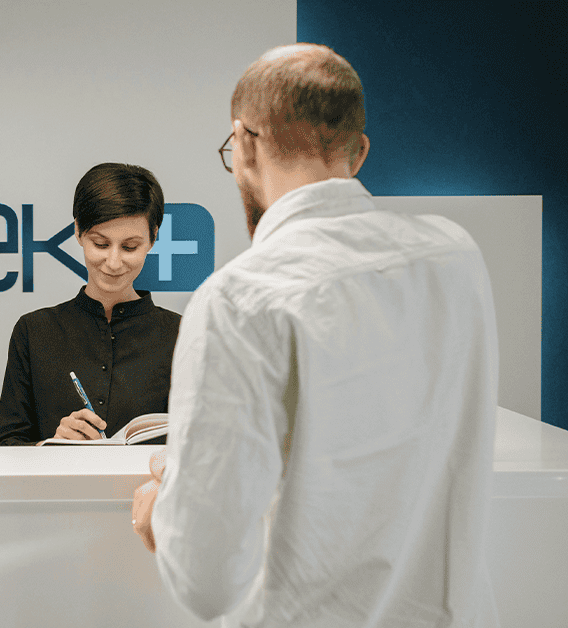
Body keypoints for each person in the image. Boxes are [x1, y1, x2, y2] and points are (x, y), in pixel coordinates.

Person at [131, 44, 500, 627]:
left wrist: (163, 513)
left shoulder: (239, 299)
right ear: (358, 153)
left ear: (244, 143)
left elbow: (207, 585)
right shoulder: (455, 256)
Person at [0, 163, 182, 445]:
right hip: (60, 490)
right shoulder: (34, 331)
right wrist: (52, 445)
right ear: (78, 231)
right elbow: (6, 446)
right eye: (101, 244)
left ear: (153, 237)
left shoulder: (182, 333)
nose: (114, 262)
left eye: (130, 247)